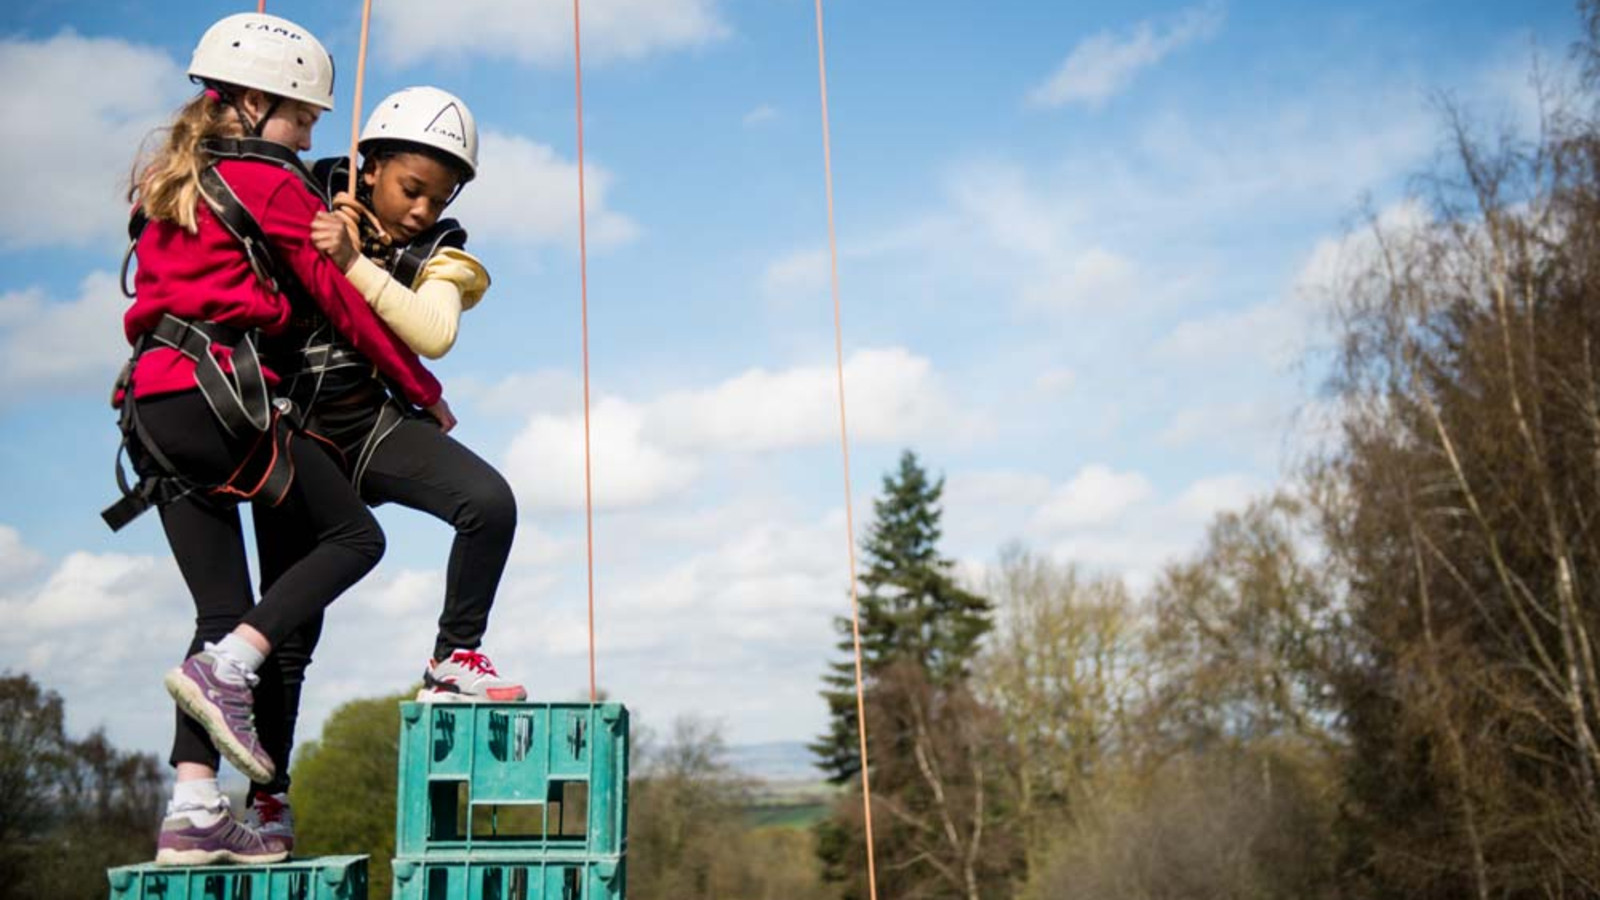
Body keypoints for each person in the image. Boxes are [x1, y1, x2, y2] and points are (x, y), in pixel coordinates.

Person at [111, 12, 444, 865]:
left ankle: (192, 808)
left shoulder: (166, 178)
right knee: (353, 535)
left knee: (220, 614)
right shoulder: (270, 181)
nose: (310, 135)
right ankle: (235, 672)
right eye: (303, 117)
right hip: (220, 399)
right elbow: (339, 303)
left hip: (151, 408)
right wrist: (420, 391)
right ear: (257, 102)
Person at [242, 86, 523, 849]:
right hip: (295, 436)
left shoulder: (447, 251)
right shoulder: (299, 192)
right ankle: (267, 798)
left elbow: (431, 332)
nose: (423, 211)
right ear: (367, 169)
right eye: (411, 189)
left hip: (370, 426)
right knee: (292, 635)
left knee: (488, 503)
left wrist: (350, 263)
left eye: (440, 196)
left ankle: (450, 659)